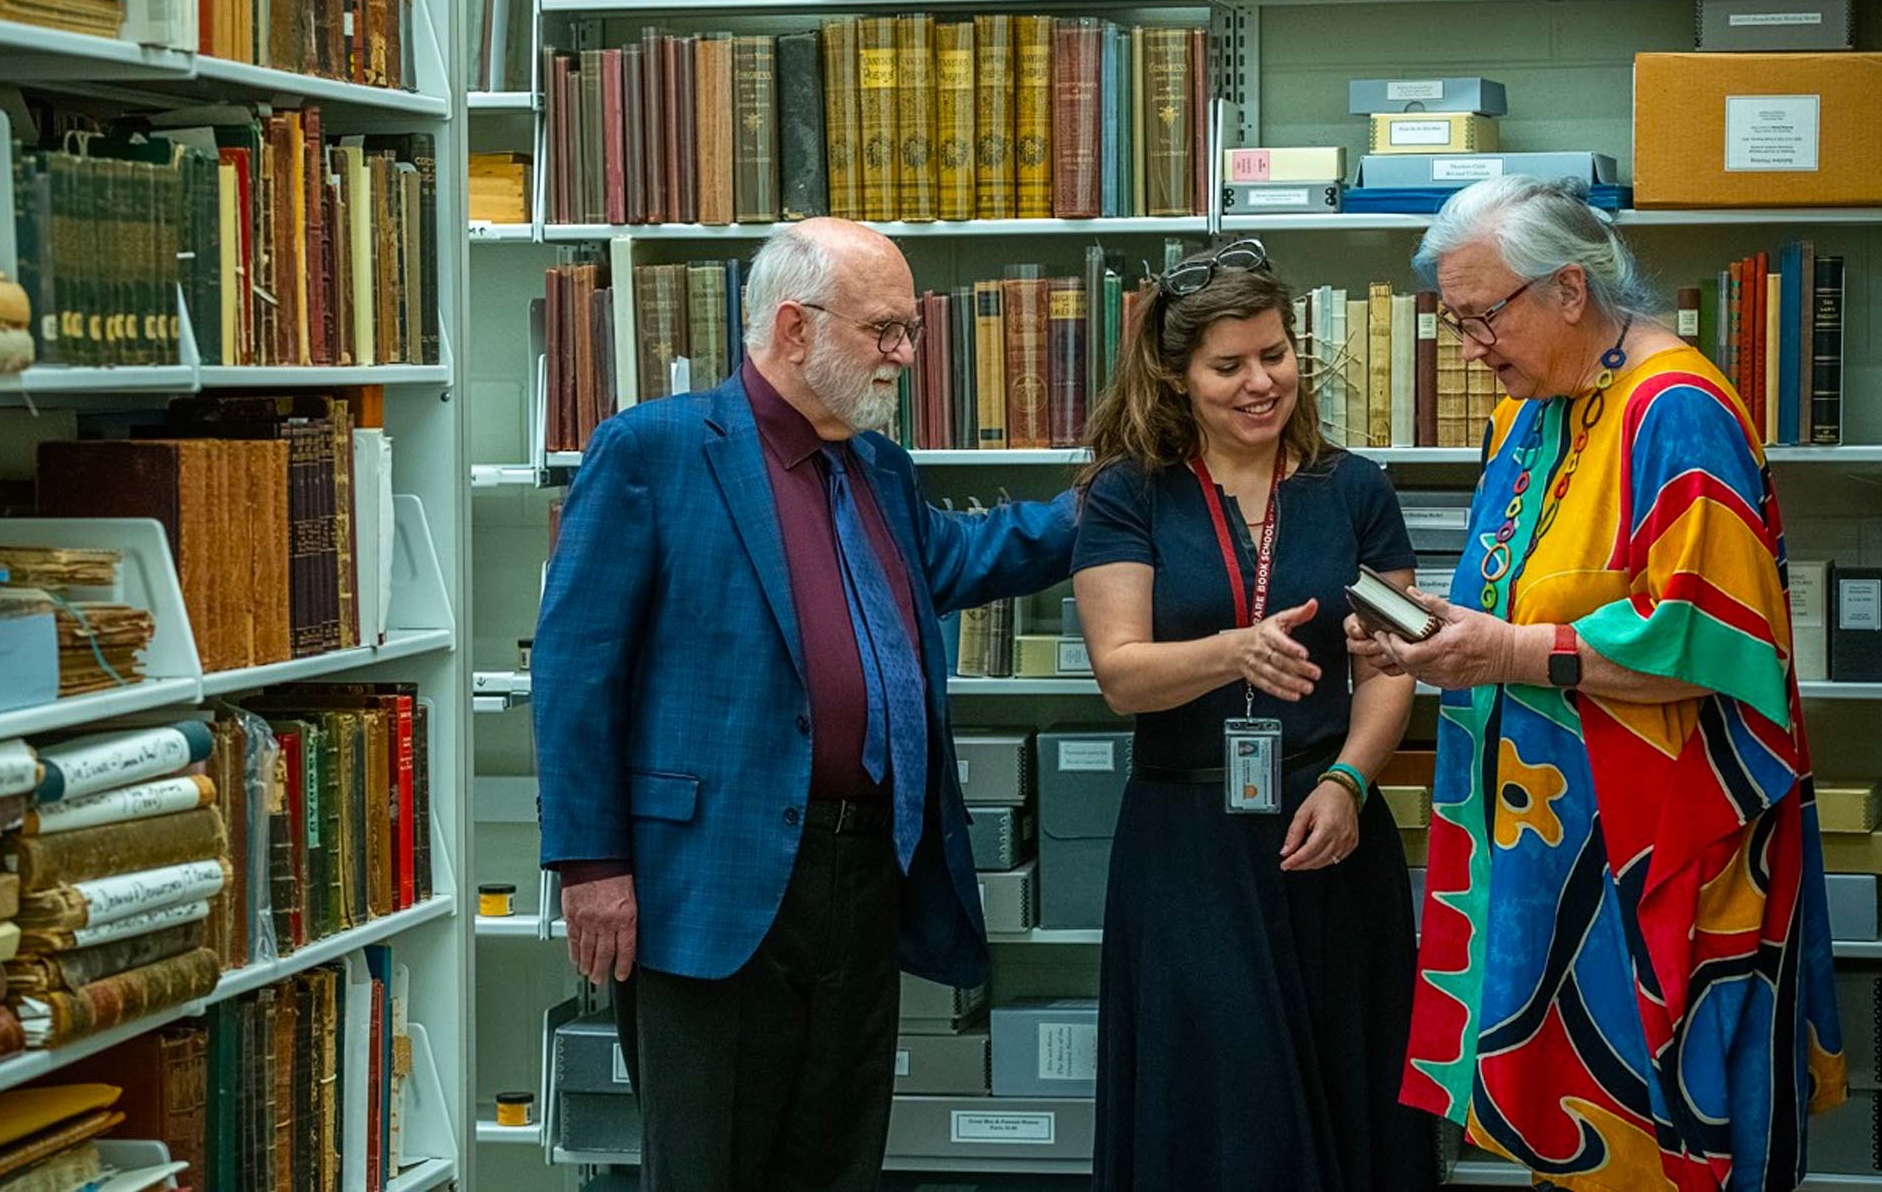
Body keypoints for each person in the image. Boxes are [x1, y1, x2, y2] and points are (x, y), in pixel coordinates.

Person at [532, 217, 1077, 1192]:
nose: (904, 355)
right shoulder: (652, 452)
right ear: (792, 327)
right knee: (705, 1167)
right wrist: (590, 864)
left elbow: (965, 557)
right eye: (884, 330)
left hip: (861, 877)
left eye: (908, 331)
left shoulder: (879, 473)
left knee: (835, 1163)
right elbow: (575, 670)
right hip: (703, 883)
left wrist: (1112, 502)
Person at [1346, 176, 1844, 1191]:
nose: (1470, 345)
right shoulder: (1533, 412)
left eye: (1482, 316)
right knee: (1579, 1151)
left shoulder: (1676, 411)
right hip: (1553, 850)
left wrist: (1505, 654)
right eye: (1454, 321)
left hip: (1657, 858)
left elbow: (1714, 644)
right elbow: (1520, 603)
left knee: (1666, 1148)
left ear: (1568, 290)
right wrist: (1431, 638)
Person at [1071, 239, 1436, 1190]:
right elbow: (1122, 673)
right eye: (1227, 366)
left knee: (1347, 1084)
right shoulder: (1127, 494)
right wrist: (1233, 650)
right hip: (1187, 843)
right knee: (1220, 1110)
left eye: (1272, 354)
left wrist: (1355, 779)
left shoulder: (1355, 489)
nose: (1258, 382)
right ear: (1178, 376)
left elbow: (1392, 661)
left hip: (1330, 829)